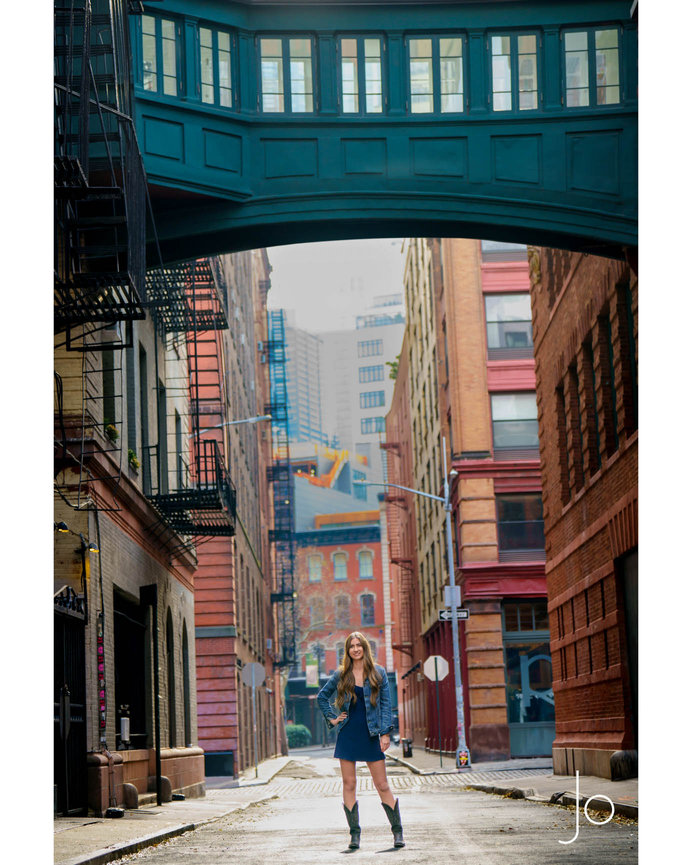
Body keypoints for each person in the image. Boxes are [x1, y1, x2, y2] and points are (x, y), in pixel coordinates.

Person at [317, 632, 405, 850]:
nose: (355, 649)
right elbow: (322, 697)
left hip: (371, 734)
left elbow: (386, 705)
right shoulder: (341, 674)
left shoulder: (379, 673)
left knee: (382, 784)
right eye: (351, 646)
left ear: (365, 648)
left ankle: (397, 832)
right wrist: (333, 718)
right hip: (348, 734)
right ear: (347, 650)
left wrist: (385, 733)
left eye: (359, 645)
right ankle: (354, 835)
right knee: (349, 784)